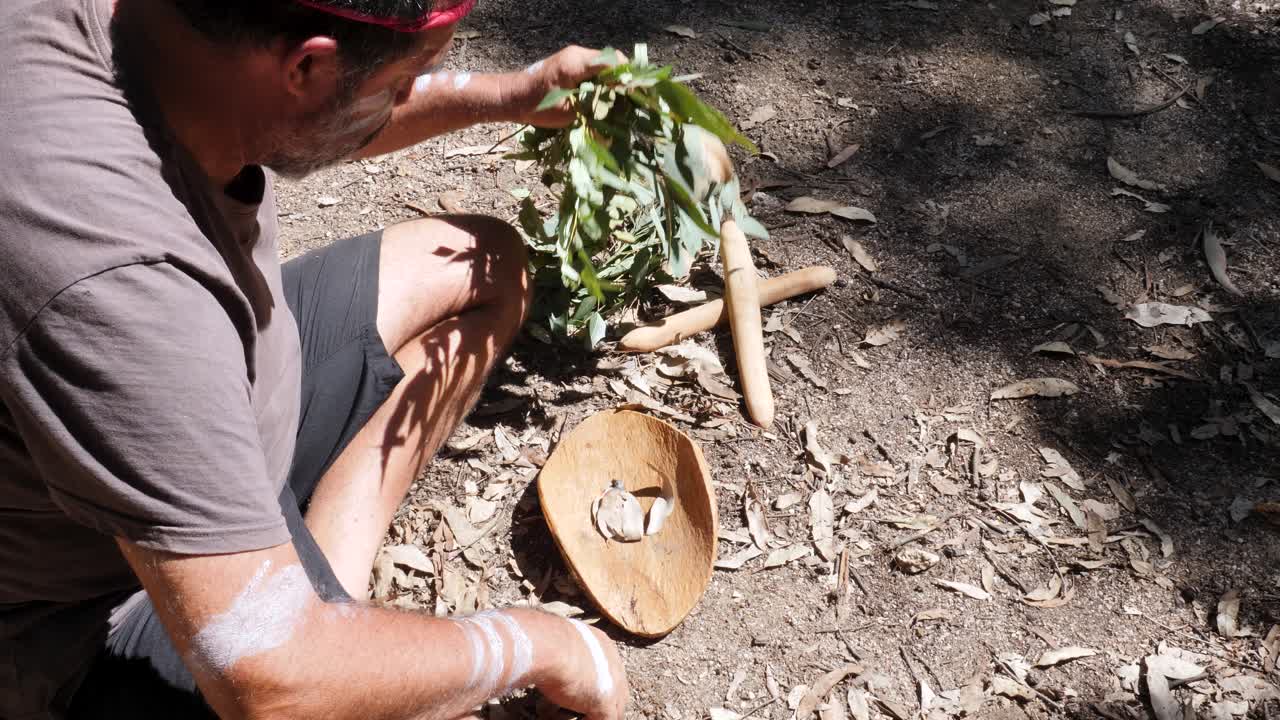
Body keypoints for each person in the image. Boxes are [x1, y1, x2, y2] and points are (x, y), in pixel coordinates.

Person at [0, 0, 629, 718]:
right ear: (306, 65)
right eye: (401, 82)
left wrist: (513, 95)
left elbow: (306, 118)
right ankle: (317, 629)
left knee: (485, 268)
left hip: (209, 395)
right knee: (298, 690)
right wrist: (538, 646)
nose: (401, 97)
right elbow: (267, 686)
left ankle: (330, 590)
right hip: (88, 612)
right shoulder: (120, 286)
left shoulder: (165, 40)